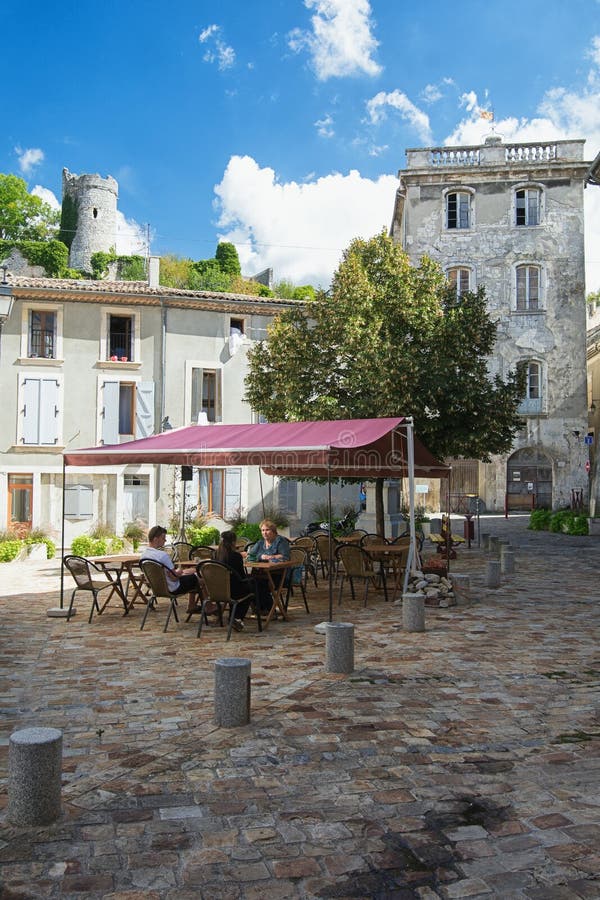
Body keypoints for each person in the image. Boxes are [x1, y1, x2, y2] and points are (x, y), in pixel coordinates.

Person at [141, 525, 202, 615]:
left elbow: (168, 574)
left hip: (157, 588)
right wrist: (180, 572)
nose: (165, 540)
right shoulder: (162, 555)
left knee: (191, 573)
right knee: (200, 577)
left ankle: (193, 605)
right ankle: (206, 606)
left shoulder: (144, 556)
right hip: (174, 588)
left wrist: (182, 572)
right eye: (163, 538)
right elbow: (174, 578)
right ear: (155, 539)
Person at [214, 531, 257, 632]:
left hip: (218, 590)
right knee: (252, 587)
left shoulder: (215, 555)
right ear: (234, 542)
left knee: (241, 587)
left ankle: (234, 617)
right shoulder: (236, 556)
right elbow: (241, 576)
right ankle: (237, 617)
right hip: (233, 590)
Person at [245, 519, 291, 611]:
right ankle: (260, 608)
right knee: (248, 581)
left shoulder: (281, 541)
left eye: (267, 530)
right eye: (263, 530)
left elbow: (285, 557)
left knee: (259, 583)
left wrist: (269, 557)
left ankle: (268, 609)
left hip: (279, 575)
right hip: (262, 573)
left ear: (273, 531)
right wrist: (261, 556)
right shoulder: (260, 542)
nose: (264, 533)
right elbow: (251, 555)